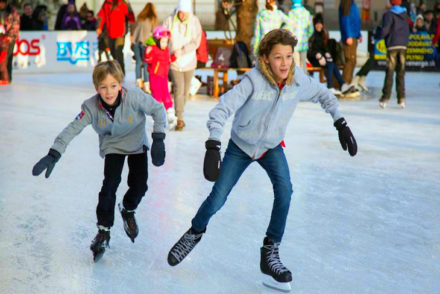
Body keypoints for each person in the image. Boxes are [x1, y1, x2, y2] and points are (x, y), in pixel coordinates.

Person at [167, 29, 357, 292]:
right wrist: (213, 144)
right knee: (218, 197)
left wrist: (340, 122)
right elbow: (222, 108)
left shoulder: (298, 80)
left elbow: (325, 95)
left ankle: (270, 252)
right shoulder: (253, 80)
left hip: (271, 147)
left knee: (286, 191)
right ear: (266, 58)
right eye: (278, 57)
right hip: (241, 146)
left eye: (289, 56)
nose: (284, 63)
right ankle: (194, 232)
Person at [31, 60, 167, 262]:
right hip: (112, 145)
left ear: (120, 84)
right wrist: (54, 153)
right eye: (103, 87)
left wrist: (158, 138)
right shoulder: (91, 107)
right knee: (109, 186)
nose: (109, 92)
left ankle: (128, 209)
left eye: (113, 86)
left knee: (140, 185)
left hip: (137, 143)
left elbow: (158, 109)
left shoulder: (135, 97)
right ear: (96, 88)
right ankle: (103, 231)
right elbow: (72, 128)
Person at [163, 0, 202, 131]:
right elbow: (163, 36)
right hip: (174, 61)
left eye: (185, 13)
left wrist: (183, 50)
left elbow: (196, 41)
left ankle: (179, 112)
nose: (182, 16)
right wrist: (168, 51)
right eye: (181, 13)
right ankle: (179, 118)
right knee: (179, 89)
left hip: (189, 61)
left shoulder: (194, 21)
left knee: (185, 91)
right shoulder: (169, 20)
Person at [307, 13, 357, 96]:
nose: (319, 26)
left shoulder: (323, 34)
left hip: (322, 58)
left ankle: (343, 85)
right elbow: (310, 50)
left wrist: (327, 54)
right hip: (313, 59)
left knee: (332, 64)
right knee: (330, 65)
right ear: (314, 24)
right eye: (317, 24)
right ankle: (330, 87)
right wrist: (318, 56)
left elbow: (324, 48)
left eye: (320, 24)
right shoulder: (312, 35)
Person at [376, 0, 410, 109]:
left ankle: (385, 98)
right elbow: (407, 29)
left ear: (391, 3)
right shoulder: (405, 14)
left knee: (390, 72)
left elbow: (385, 30)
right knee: (401, 72)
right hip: (403, 45)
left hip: (392, 45)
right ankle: (401, 98)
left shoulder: (389, 14)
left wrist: (378, 33)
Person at [144, 26, 178, 130]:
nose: (165, 43)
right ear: (157, 41)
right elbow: (148, 60)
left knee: (167, 95)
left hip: (164, 77)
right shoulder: (153, 49)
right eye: (163, 41)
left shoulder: (166, 49)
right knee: (157, 97)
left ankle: (170, 115)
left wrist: (173, 57)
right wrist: (148, 53)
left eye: (166, 41)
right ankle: (158, 118)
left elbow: (167, 61)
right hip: (155, 77)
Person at [96, 0, 136, 74]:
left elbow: (131, 18)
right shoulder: (106, 3)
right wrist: (99, 27)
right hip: (109, 33)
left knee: (118, 52)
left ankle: (121, 72)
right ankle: (117, 70)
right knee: (112, 52)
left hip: (120, 33)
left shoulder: (124, 4)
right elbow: (101, 15)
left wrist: (132, 33)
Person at [132, 2, 157, 92]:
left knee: (138, 63)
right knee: (146, 64)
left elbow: (134, 30)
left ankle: (138, 82)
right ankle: (146, 83)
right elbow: (154, 32)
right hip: (146, 44)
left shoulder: (140, 17)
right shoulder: (152, 19)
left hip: (136, 42)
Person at [339, 0, 362, 85]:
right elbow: (345, 20)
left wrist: (359, 34)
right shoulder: (346, 4)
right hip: (349, 36)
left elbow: (356, 20)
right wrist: (348, 35)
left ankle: (348, 82)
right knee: (349, 60)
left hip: (354, 35)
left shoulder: (352, 4)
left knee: (353, 61)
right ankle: (345, 84)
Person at [287, 0, 313, 72]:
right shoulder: (306, 13)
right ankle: (304, 82)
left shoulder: (291, 13)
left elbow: (288, 30)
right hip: (304, 42)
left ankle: (297, 81)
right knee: (303, 64)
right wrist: (306, 37)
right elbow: (311, 29)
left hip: (294, 43)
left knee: (296, 65)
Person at [0, 0, 19, 85]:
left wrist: (9, 36)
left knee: (8, 57)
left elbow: (15, 24)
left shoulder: (12, 10)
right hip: (1, 37)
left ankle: (8, 78)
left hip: (9, 39)